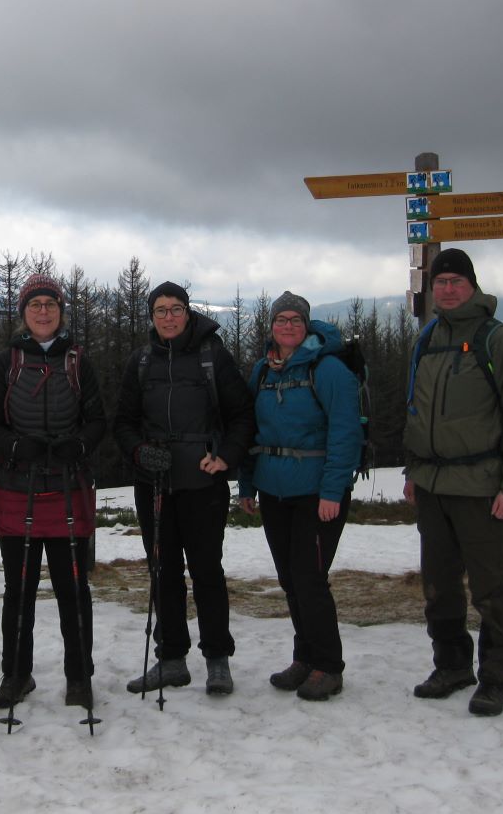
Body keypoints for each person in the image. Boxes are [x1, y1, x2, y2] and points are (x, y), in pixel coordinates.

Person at [403, 249, 503, 717]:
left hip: (481, 486)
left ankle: (496, 678)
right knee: (438, 587)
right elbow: (416, 409)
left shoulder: (497, 340)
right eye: (440, 283)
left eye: (455, 282)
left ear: (472, 286)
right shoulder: (428, 338)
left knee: (491, 588)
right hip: (432, 484)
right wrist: (413, 471)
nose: (446, 290)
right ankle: (452, 666)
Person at [114, 281, 254, 696]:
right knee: (163, 572)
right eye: (161, 310)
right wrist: (139, 452)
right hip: (154, 482)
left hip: (202, 482)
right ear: (152, 317)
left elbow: (243, 414)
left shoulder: (213, 356)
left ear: (188, 313)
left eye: (176, 309)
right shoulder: (141, 360)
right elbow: (123, 421)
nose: (169, 317)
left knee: (207, 571)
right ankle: (172, 658)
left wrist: (225, 456)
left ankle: (217, 659)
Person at [0, 273, 108, 711]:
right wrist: (15, 446)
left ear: (60, 311)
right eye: (35, 305)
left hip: (68, 485)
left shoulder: (79, 362)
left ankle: (79, 677)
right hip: (18, 485)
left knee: (74, 590)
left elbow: (97, 419)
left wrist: (80, 445)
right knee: (19, 590)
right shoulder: (6, 362)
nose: (43, 311)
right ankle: (16, 674)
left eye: (50, 304)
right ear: (24, 312)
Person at [238, 291, 362, 701]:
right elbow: (250, 430)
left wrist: (333, 491)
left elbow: (345, 432)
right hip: (274, 489)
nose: (288, 325)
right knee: (291, 579)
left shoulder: (327, 369)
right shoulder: (264, 370)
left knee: (310, 579)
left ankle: (328, 665)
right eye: (281, 319)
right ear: (271, 326)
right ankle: (305, 658)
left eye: (295, 319)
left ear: (306, 325)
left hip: (316, 492)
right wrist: (247, 484)